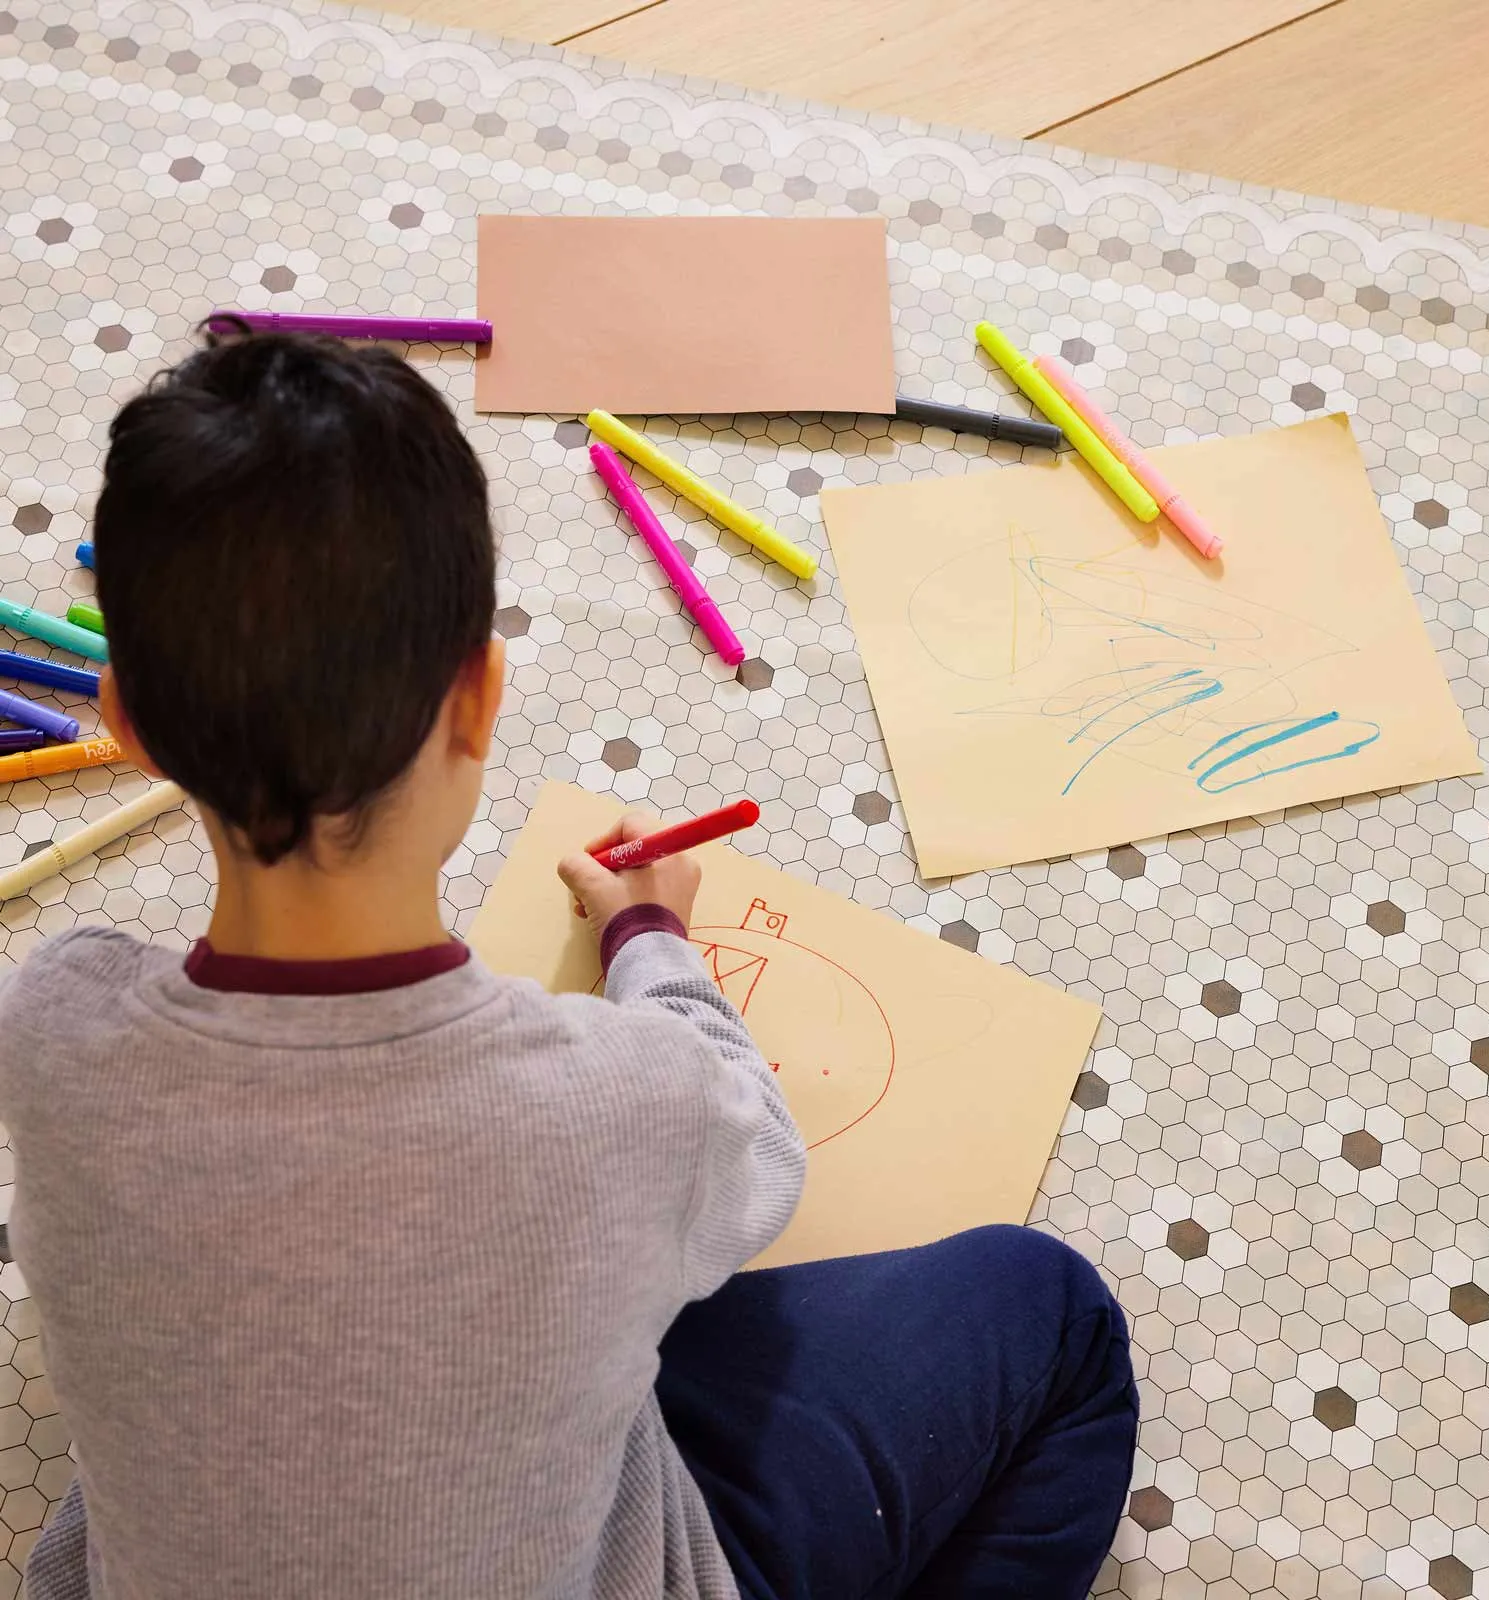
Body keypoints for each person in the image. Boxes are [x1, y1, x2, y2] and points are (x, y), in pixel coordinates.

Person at [0, 331, 1138, 1600]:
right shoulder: (623, 1098)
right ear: (480, 698)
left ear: (127, 721)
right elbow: (753, 1153)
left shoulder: (51, 1026)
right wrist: (650, 937)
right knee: (1056, 1317)